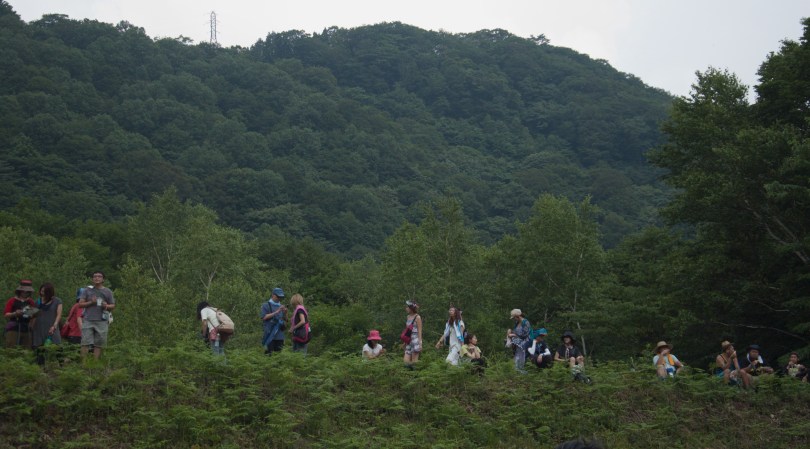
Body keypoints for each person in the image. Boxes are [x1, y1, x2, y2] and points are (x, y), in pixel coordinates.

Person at [77, 271, 115, 360]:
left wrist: (106, 306)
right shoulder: (87, 290)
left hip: (102, 320)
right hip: (88, 319)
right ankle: (83, 363)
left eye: (99, 276)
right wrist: (91, 302)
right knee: (85, 342)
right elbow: (80, 304)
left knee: (99, 344)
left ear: (103, 279)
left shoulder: (108, 291)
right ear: (92, 279)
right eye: (95, 276)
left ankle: (95, 362)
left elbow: (113, 306)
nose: (97, 278)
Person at [30, 283, 62, 364]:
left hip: (52, 327)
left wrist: (54, 326)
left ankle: (62, 366)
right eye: (41, 291)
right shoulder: (37, 302)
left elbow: (59, 315)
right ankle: (41, 367)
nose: (42, 293)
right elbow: (32, 315)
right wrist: (30, 327)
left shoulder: (57, 301)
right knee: (39, 349)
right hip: (39, 328)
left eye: (44, 291)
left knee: (57, 347)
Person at [4, 279, 36, 348]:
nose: (25, 292)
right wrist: (15, 313)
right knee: (11, 349)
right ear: (19, 291)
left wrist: (31, 325)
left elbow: (33, 317)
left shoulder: (31, 302)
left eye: (27, 291)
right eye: (23, 291)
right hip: (13, 329)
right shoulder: (12, 300)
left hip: (26, 330)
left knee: (26, 350)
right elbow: (6, 314)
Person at [261, 287, 287, 356]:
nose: (279, 298)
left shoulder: (281, 306)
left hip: (280, 336)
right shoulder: (266, 305)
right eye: (278, 296)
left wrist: (285, 313)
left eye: (280, 297)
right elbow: (264, 317)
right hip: (269, 335)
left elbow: (285, 320)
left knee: (278, 356)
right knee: (269, 355)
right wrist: (277, 312)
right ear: (273, 295)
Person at [402, 300, 422, 369]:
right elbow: (407, 330)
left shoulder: (417, 317)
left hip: (415, 340)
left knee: (414, 363)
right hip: (409, 340)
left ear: (411, 308)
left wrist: (420, 343)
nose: (406, 308)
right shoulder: (408, 317)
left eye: (407, 307)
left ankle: (415, 374)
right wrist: (405, 342)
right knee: (406, 362)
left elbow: (419, 331)